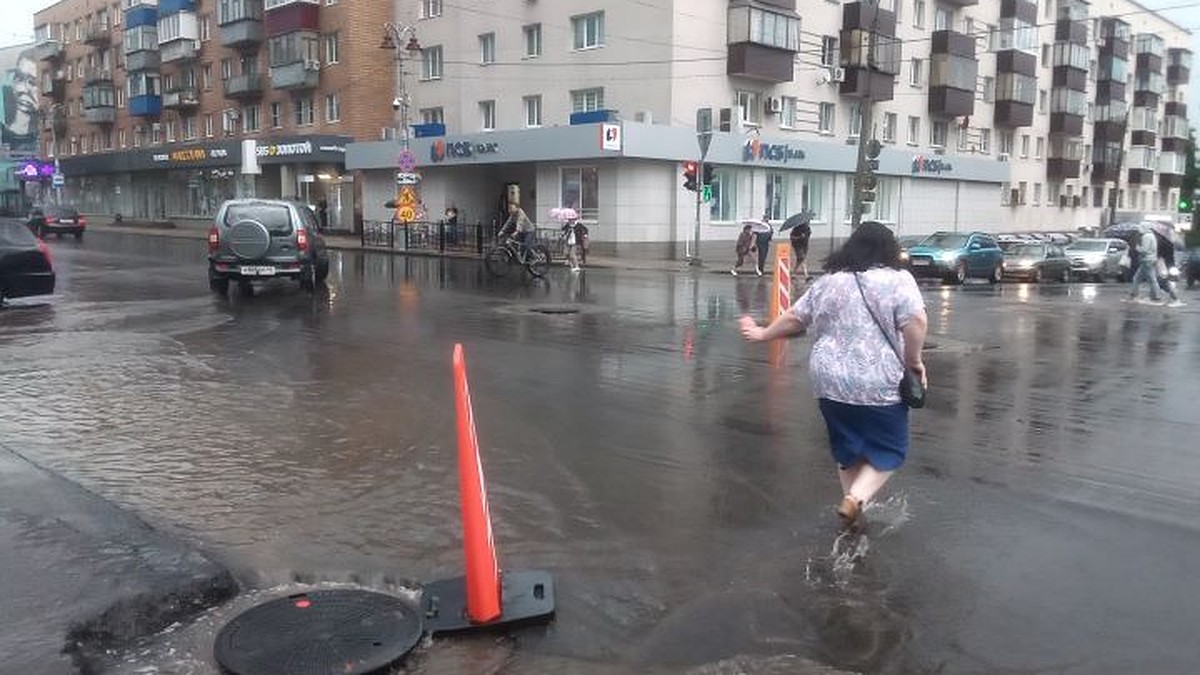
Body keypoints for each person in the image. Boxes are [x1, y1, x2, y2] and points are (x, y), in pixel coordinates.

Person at [739, 221, 928, 527]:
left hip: (829, 382)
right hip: (878, 382)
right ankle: (855, 500)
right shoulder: (898, 280)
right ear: (889, 249)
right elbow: (916, 322)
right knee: (890, 449)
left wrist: (762, 334)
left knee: (848, 449)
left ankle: (851, 512)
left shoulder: (830, 281)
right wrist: (914, 361)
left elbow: (795, 318)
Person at [1127, 227, 1161, 304]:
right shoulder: (1152, 236)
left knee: (1150, 279)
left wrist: (1137, 247)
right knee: (1138, 278)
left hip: (1146, 260)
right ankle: (1134, 293)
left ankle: (1156, 295)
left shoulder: (1146, 237)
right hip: (1151, 259)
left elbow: (1144, 250)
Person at [754, 212, 774, 276]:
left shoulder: (768, 225)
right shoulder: (760, 224)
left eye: (768, 218)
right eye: (766, 218)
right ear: (764, 218)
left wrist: (770, 239)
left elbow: (771, 232)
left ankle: (761, 268)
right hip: (760, 242)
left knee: (764, 256)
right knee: (761, 256)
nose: (767, 219)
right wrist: (754, 243)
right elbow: (755, 232)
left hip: (766, 242)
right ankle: (760, 269)